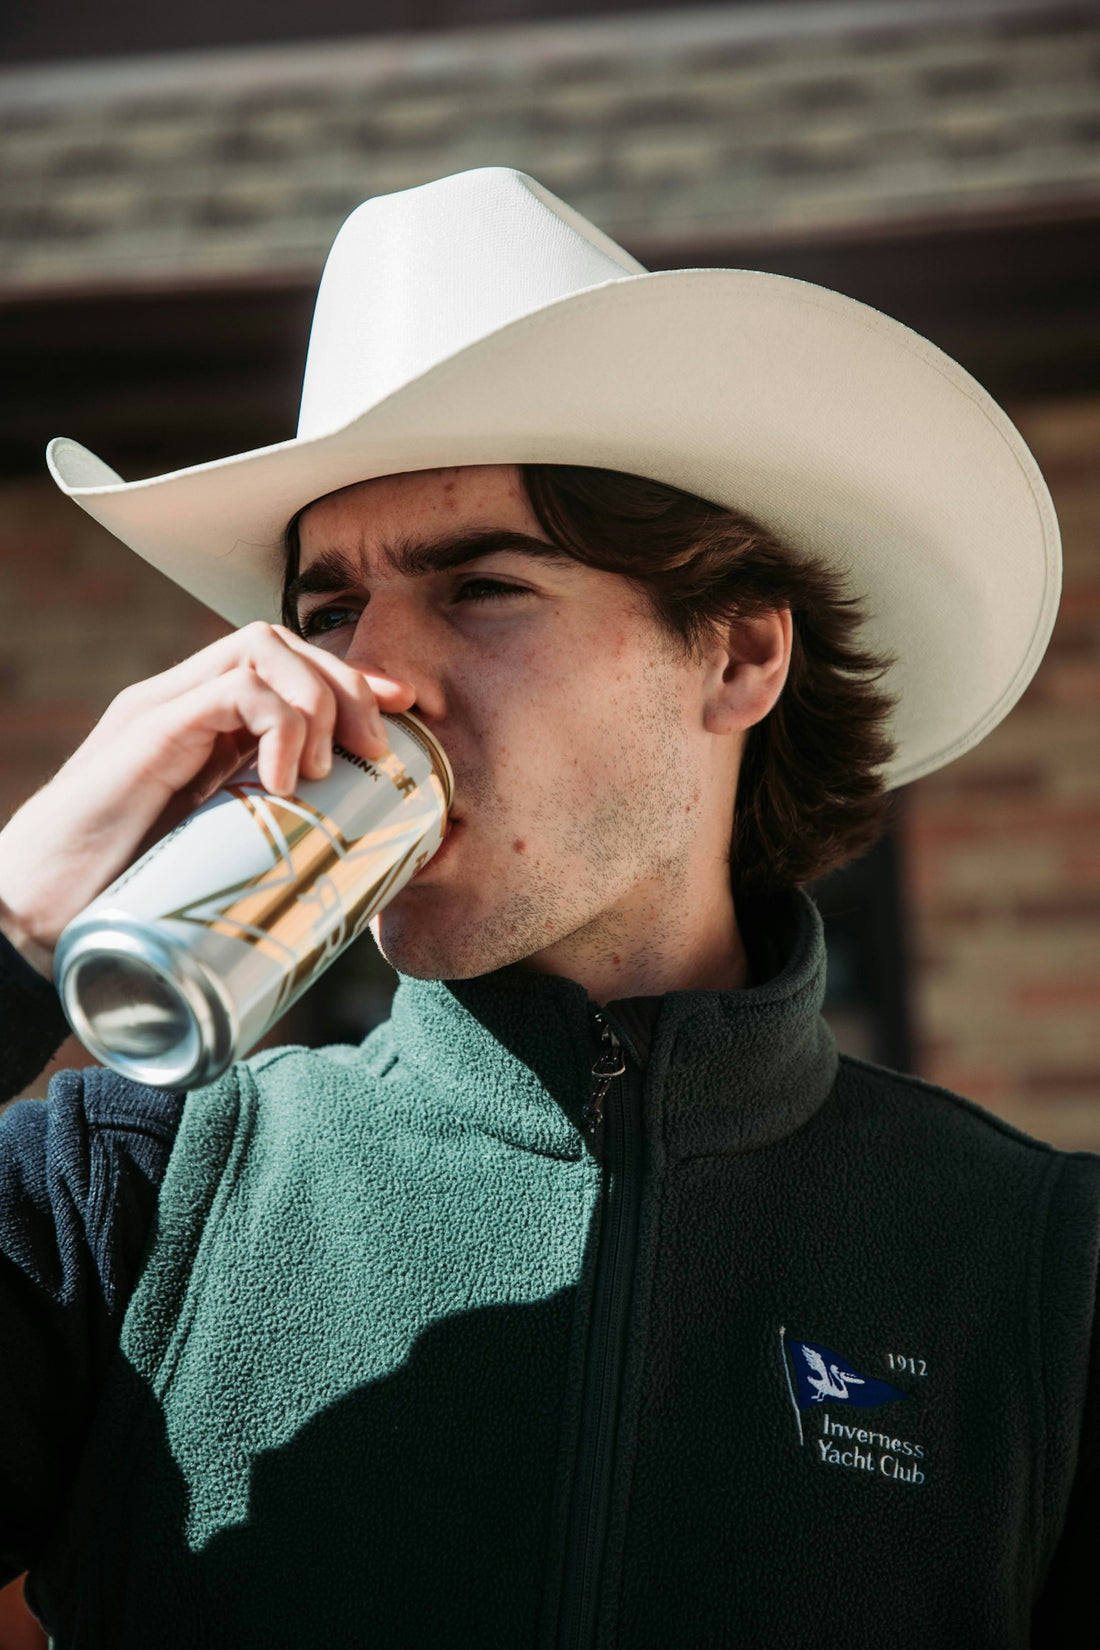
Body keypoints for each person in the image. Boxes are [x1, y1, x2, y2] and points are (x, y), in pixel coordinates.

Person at [0, 168, 1093, 1647]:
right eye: (327, 611)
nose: (372, 683)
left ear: (739, 656)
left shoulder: (1038, 1264)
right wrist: (10, 928)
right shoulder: (122, 1192)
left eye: (481, 588)